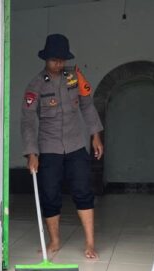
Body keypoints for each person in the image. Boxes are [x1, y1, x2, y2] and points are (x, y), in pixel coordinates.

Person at [21, 34, 104, 259]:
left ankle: (90, 243)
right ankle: (55, 241)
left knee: (83, 191)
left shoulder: (75, 78)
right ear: (45, 59)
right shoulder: (36, 85)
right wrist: (31, 153)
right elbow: (28, 121)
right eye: (53, 60)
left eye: (61, 60)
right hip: (48, 148)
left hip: (76, 144)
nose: (58, 64)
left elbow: (87, 106)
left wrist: (95, 135)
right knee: (49, 195)